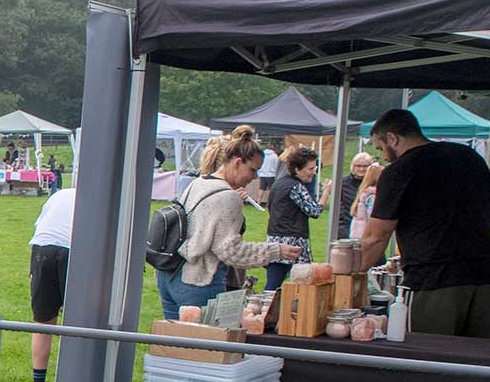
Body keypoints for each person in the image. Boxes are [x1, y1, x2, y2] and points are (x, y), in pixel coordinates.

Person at [359, 108, 490, 339]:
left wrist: (350, 274)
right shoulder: (467, 156)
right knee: (479, 355)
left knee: (429, 352)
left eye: (381, 148)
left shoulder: (398, 172)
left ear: (392, 138)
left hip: (435, 277)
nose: (384, 157)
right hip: (489, 273)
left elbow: (376, 237)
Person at [159, 126, 300, 319]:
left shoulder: (198, 183)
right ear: (237, 162)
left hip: (169, 275)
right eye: (253, 170)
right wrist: (277, 251)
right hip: (198, 280)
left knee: (171, 337)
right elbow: (231, 252)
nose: (255, 177)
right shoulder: (229, 197)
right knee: (207, 338)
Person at [27, 187, 76, 382]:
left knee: (43, 323)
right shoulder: (100, 198)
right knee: (78, 324)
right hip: (71, 249)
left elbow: (41, 224)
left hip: (43, 248)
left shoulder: (59, 195)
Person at [263, 146, 327, 291]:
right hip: (293, 242)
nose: (314, 172)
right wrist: (326, 193)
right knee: (303, 286)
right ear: (297, 169)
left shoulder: (278, 183)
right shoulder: (296, 187)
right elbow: (314, 211)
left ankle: (266, 305)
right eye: (311, 169)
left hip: (274, 239)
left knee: (271, 286)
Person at [333, 153, 374, 237]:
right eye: (358, 166)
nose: (361, 169)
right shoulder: (342, 183)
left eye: (365, 166)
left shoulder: (375, 184)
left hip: (368, 229)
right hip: (346, 228)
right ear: (353, 166)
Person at [350, 163, 383, 241]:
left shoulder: (364, 193)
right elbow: (372, 215)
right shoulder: (372, 195)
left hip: (358, 233)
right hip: (366, 236)